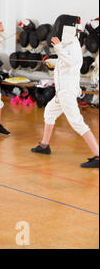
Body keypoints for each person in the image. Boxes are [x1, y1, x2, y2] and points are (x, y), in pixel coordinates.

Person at [31, 15, 99, 168]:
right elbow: (64, 61)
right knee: (49, 113)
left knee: (77, 123)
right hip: (61, 92)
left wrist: (58, 49)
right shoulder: (67, 43)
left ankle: (98, 155)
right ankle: (44, 145)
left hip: (67, 92)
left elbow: (73, 62)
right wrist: (52, 61)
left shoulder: (73, 44)